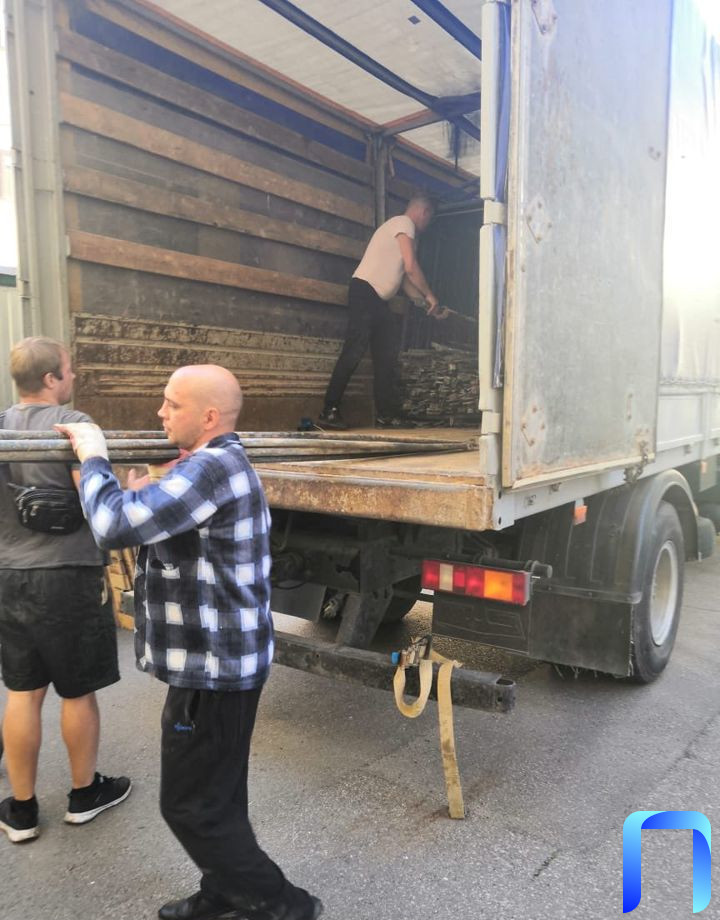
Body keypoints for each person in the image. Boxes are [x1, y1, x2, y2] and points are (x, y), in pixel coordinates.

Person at [57, 365, 323, 920]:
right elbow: (170, 532)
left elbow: (111, 527)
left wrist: (94, 455)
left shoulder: (211, 468)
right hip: (214, 666)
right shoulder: (211, 464)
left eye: (171, 403)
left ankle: (283, 905)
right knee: (218, 799)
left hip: (215, 671)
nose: (160, 412)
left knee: (190, 806)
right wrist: (141, 495)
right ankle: (224, 894)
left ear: (208, 416)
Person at [0, 337, 130, 844]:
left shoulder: (1, 427)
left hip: (10, 575)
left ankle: (21, 810)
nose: (73, 377)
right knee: (76, 691)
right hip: (68, 574)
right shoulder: (74, 424)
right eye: (69, 370)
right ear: (51, 378)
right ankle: (83, 794)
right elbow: (94, 497)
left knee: (22, 692)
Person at [318, 192, 448, 430]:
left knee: (386, 357)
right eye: (429, 219)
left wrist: (428, 306)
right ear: (424, 212)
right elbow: (411, 267)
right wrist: (430, 295)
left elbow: (406, 280)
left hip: (378, 301)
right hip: (365, 293)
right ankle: (329, 410)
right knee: (354, 351)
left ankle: (386, 415)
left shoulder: (402, 231)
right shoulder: (404, 223)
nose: (427, 225)